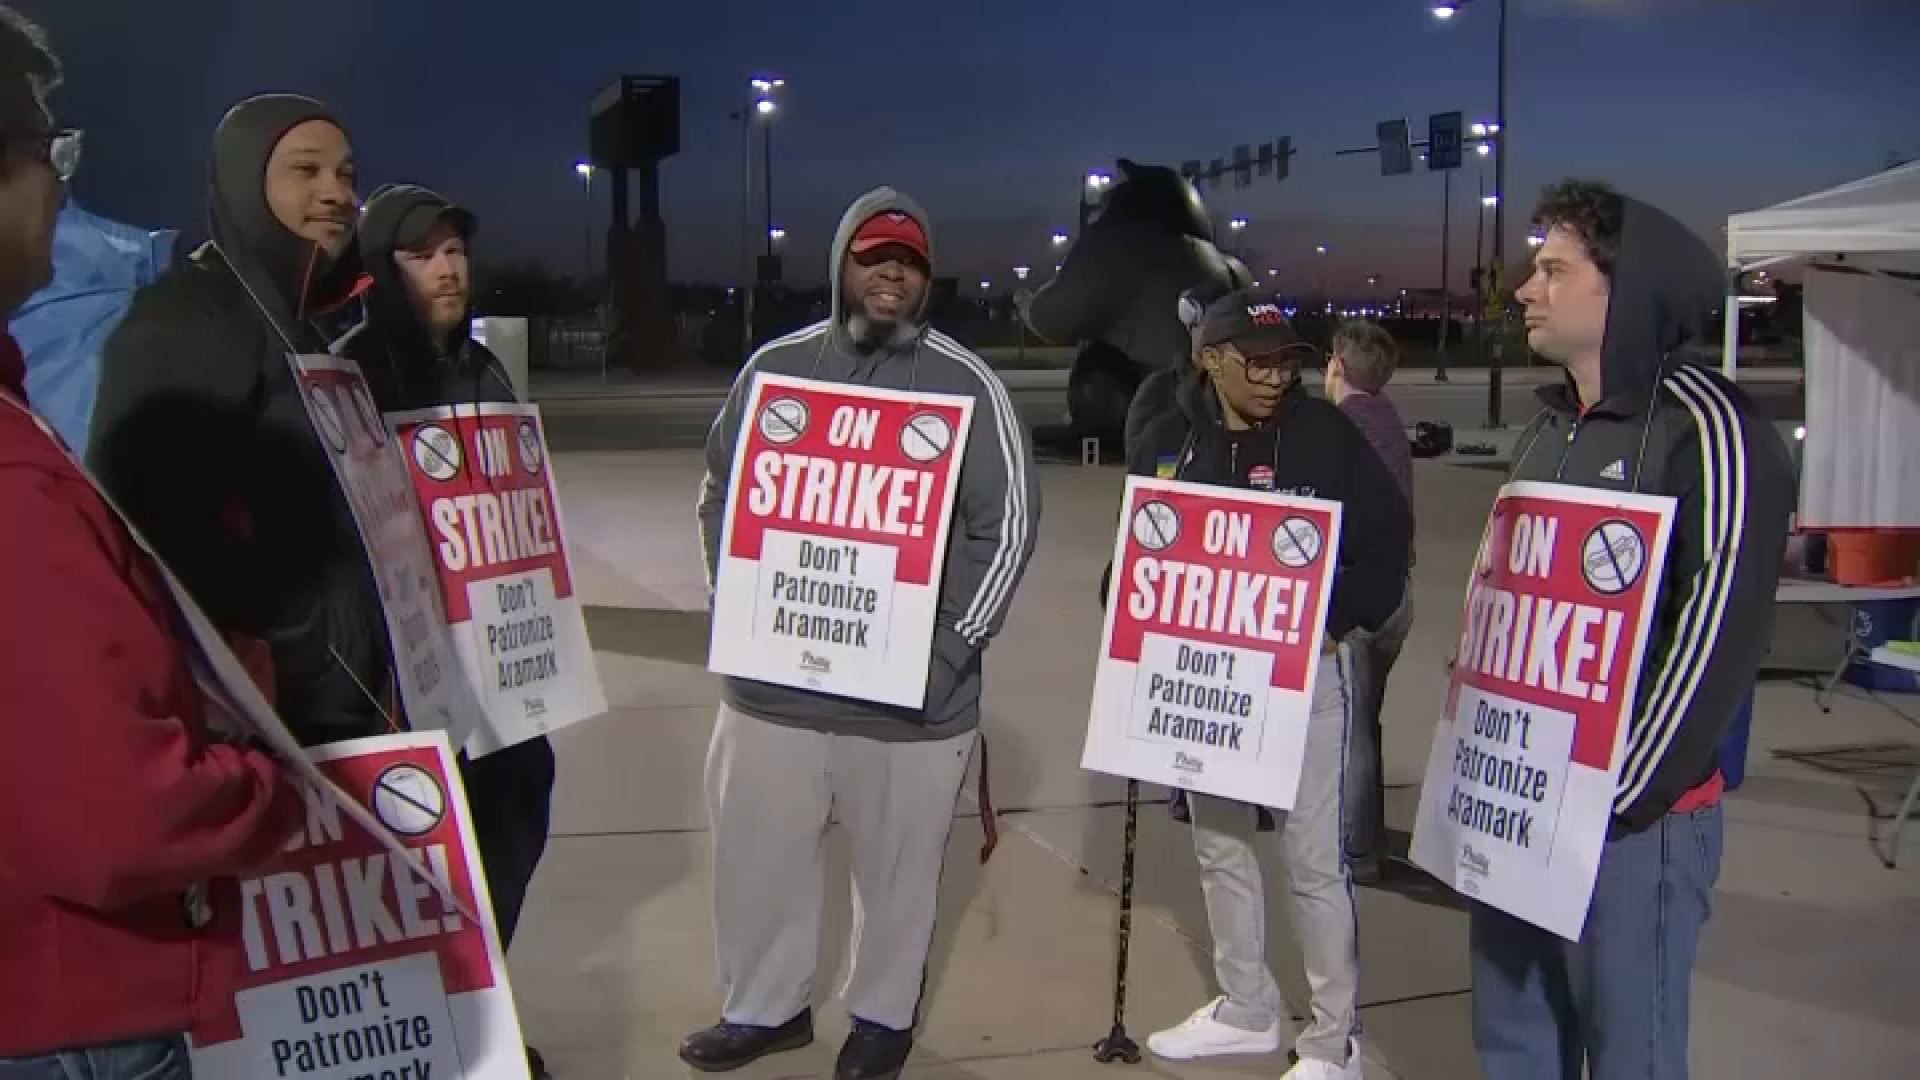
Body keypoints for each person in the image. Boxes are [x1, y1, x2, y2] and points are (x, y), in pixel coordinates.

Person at [0, 8, 303, 1076]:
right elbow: (118, 813)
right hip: (73, 1018)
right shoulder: (15, 479)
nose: (61, 191)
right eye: (49, 152)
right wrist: (268, 781)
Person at [685, 188, 1039, 1080]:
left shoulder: (969, 383)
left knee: (898, 878)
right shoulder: (777, 369)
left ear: (926, 278)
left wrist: (947, 654)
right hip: (774, 691)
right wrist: (743, 611)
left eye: (910, 262)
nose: (892, 271)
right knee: (756, 861)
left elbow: (1010, 528)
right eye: (875, 255)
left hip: (913, 702)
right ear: (842, 263)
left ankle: (881, 1017)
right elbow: (720, 495)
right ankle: (764, 1009)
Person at [1471, 180, 1792, 1080]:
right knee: (1513, 1041)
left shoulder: (1709, 429)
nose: (1526, 290)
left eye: (1552, 270)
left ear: (1628, 286)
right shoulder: (1545, 429)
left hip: (1629, 826)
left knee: (1632, 1058)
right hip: (1518, 800)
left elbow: (1716, 639)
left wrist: (1612, 801)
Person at [1124, 288, 1411, 1080]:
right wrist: (1128, 601)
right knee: (1219, 846)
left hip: (1304, 677)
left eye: (1288, 361)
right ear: (1209, 358)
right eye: (1258, 360)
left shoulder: (1329, 436)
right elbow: (1141, 544)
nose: (1277, 376)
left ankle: (1332, 1039)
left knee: (1314, 862)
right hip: (1208, 681)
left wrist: (1335, 621)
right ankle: (1245, 1006)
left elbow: (1388, 549)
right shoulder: (1168, 438)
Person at [88, 94, 392, 748]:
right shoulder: (188, 318)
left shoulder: (296, 323)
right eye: (305, 171)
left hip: (348, 701)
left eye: (345, 174)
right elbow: (153, 531)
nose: (336, 192)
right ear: (244, 179)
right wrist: (310, 635)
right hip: (269, 718)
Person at [338, 183, 555, 1080]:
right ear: (383, 268)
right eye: (425, 253)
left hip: (499, 676)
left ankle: (482, 1015)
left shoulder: (485, 370)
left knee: (512, 837)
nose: (450, 267)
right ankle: (434, 1042)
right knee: (422, 877)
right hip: (405, 683)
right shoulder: (350, 373)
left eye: (457, 250)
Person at [1323, 320, 1414, 884]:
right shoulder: (1388, 421)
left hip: (1360, 595)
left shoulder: (1342, 430)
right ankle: (1367, 833)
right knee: (1367, 720)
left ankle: (1357, 850)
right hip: (1399, 593)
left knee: (1350, 730)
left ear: (1336, 366)